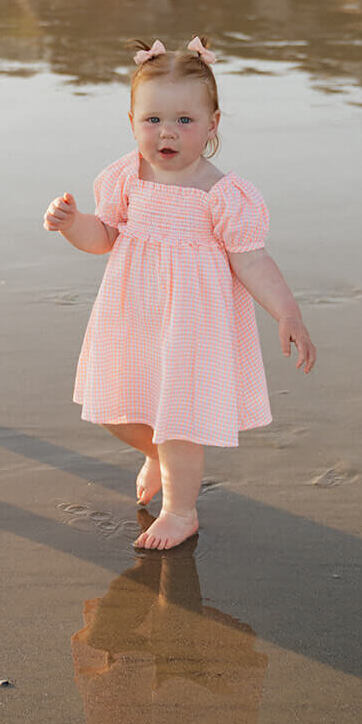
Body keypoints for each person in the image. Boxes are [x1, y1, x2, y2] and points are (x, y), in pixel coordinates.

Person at [43, 36, 315, 552]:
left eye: (185, 121)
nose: (167, 132)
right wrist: (72, 223)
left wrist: (287, 313)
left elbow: (252, 259)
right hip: (133, 313)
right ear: (131, 122)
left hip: (194, 321)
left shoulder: (221, 192)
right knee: (113, 407)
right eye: (153, 120)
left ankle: (180, 510)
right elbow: (103, 237)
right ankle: (157, 456)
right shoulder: (125, 176)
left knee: (180, 418)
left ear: (213, 124)